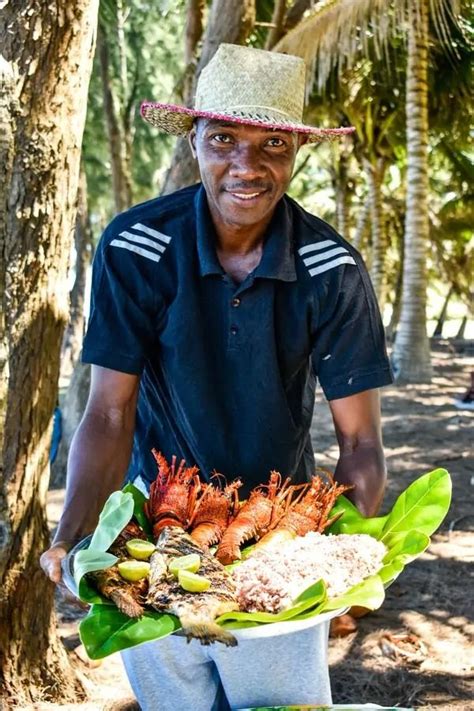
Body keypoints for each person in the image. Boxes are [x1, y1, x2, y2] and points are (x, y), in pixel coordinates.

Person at [41, 44, 393, 710]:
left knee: (280, 705)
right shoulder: (135, 246)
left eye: (273, 143)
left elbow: (361, 443)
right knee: (176, 699)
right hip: (156, 528)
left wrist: (341, 558)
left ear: (296, 150)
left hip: (281, 528)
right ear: (195, 140)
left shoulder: (334, 268)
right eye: (224, 138)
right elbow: (110, 413)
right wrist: (72, 533)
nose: (247, 165)